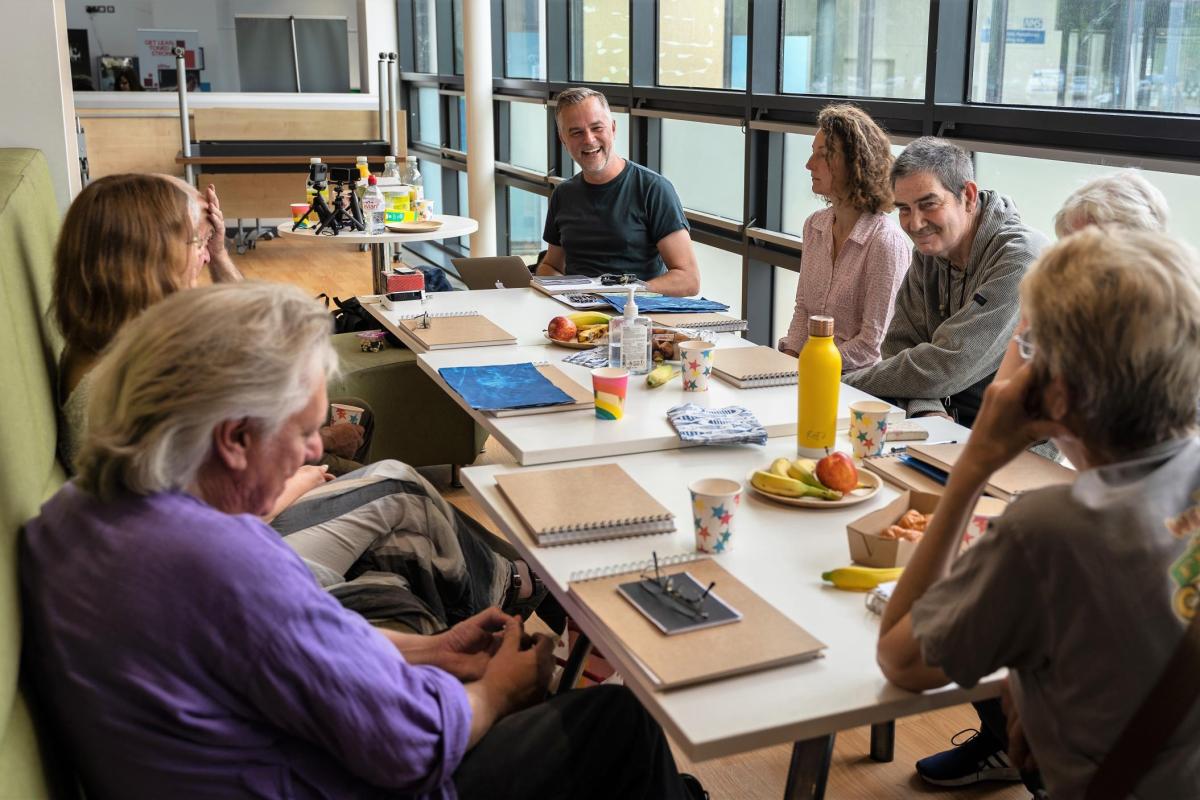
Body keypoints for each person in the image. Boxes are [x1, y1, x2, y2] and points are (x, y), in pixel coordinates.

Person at [22, 282, 704, 799]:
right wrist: (497, 692)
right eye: (304, 431)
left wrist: (433, 649)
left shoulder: (73, 516)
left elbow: (280, 650)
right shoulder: (225, 563)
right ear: (234, 439)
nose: (315, 451)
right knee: (620, 721)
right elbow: (410, 746)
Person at [51, 173, 553, 635]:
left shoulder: (128, 345)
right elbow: (207, 527)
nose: (202, 256)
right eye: (196, 243)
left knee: (400, 501)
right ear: (149, 254)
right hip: (234, 555)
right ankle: (519, 591)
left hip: (237, 531)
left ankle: (521, 587)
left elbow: (256, 339)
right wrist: (301, 480)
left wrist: (221, 254)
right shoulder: (114, 392)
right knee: (399, 487)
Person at [876, 227, 1200, 799]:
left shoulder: (1050, 529)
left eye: (1029, 347)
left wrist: (973, 465)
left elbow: (902, 660)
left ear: (1056, 390)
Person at [841, 136, 1048, 426]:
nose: (915, 224)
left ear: (969, 196)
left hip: (1022, 435)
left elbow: (951, 362)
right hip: (949, 422)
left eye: (929, 204)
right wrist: (927, 410)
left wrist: (843, 383)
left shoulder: (1022, 258)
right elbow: (900, 345)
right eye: (904, 209)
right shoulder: (929, 253)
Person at [994, 169, 1169, 384]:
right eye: (1067, 248)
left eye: (1091, 252)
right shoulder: (1057, 307)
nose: (1072, 265)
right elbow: (1002, 393)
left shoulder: (1164, 329)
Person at [776, 103, 910, 370]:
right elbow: (803, 311)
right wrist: (786, 366)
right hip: (810, 370)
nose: (809, 165)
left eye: (823, 155)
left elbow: (871, 345)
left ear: (855, 163)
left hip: (855, 382)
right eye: (812, 153)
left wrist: (809, 366)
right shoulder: (814, 226)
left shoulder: (885, 242)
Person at [537, 87, 701, 296]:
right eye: (576, 132)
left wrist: (626, 292)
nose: (589, 139)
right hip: (578, 310)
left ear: (613, 129)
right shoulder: (563, 194)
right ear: (563, 140)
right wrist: (570, 292)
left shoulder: (653, 189)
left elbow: (688, 279)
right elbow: (551, 266)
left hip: (636, 310)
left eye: (597, 128)